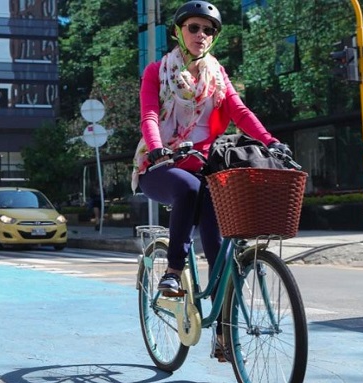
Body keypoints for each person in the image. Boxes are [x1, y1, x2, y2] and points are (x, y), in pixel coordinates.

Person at [131, 0, 291, 361]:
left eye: (208, 30)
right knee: (187, 188)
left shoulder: (217, 76)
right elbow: (150, 114)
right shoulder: (158, 71)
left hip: (205, 165)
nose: (201, 35)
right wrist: (156, 148)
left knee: (221, 244)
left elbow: (240, 111)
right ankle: (172, 272)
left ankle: (223, 336)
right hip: (160, 167)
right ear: (179, 31)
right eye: (194, 27)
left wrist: (271, 141)